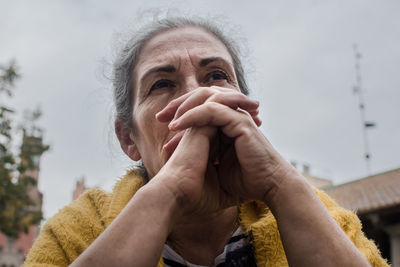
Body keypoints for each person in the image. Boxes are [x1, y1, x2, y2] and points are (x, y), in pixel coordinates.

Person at [24, 16, 388, 267]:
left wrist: (280, 184)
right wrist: (170, 193)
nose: (200, 98)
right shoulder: (74, 231)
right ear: (128, 139)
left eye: (216, 76)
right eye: (162, 84)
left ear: (248, 110)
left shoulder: (317, 213)